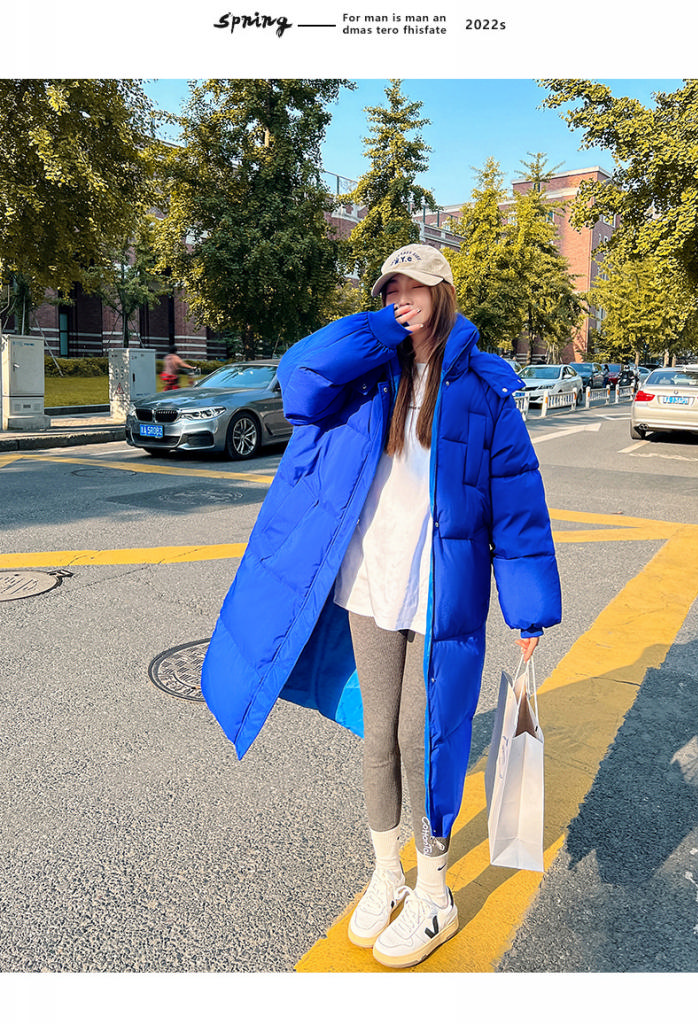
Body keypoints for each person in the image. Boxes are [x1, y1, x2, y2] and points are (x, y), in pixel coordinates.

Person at [201, 244, 562, 969]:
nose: (401, 297)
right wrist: (373, 330)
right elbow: (298, 376)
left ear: (443, 290)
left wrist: (529, 609)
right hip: (369, 585)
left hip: (439, 594)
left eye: (414, 285)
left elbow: (519, 503)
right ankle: (386, 873)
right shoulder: (368, 374)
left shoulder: (486, 388)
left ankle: (434, 891)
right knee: (378, 740)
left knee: (423, 740)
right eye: (390, 288)